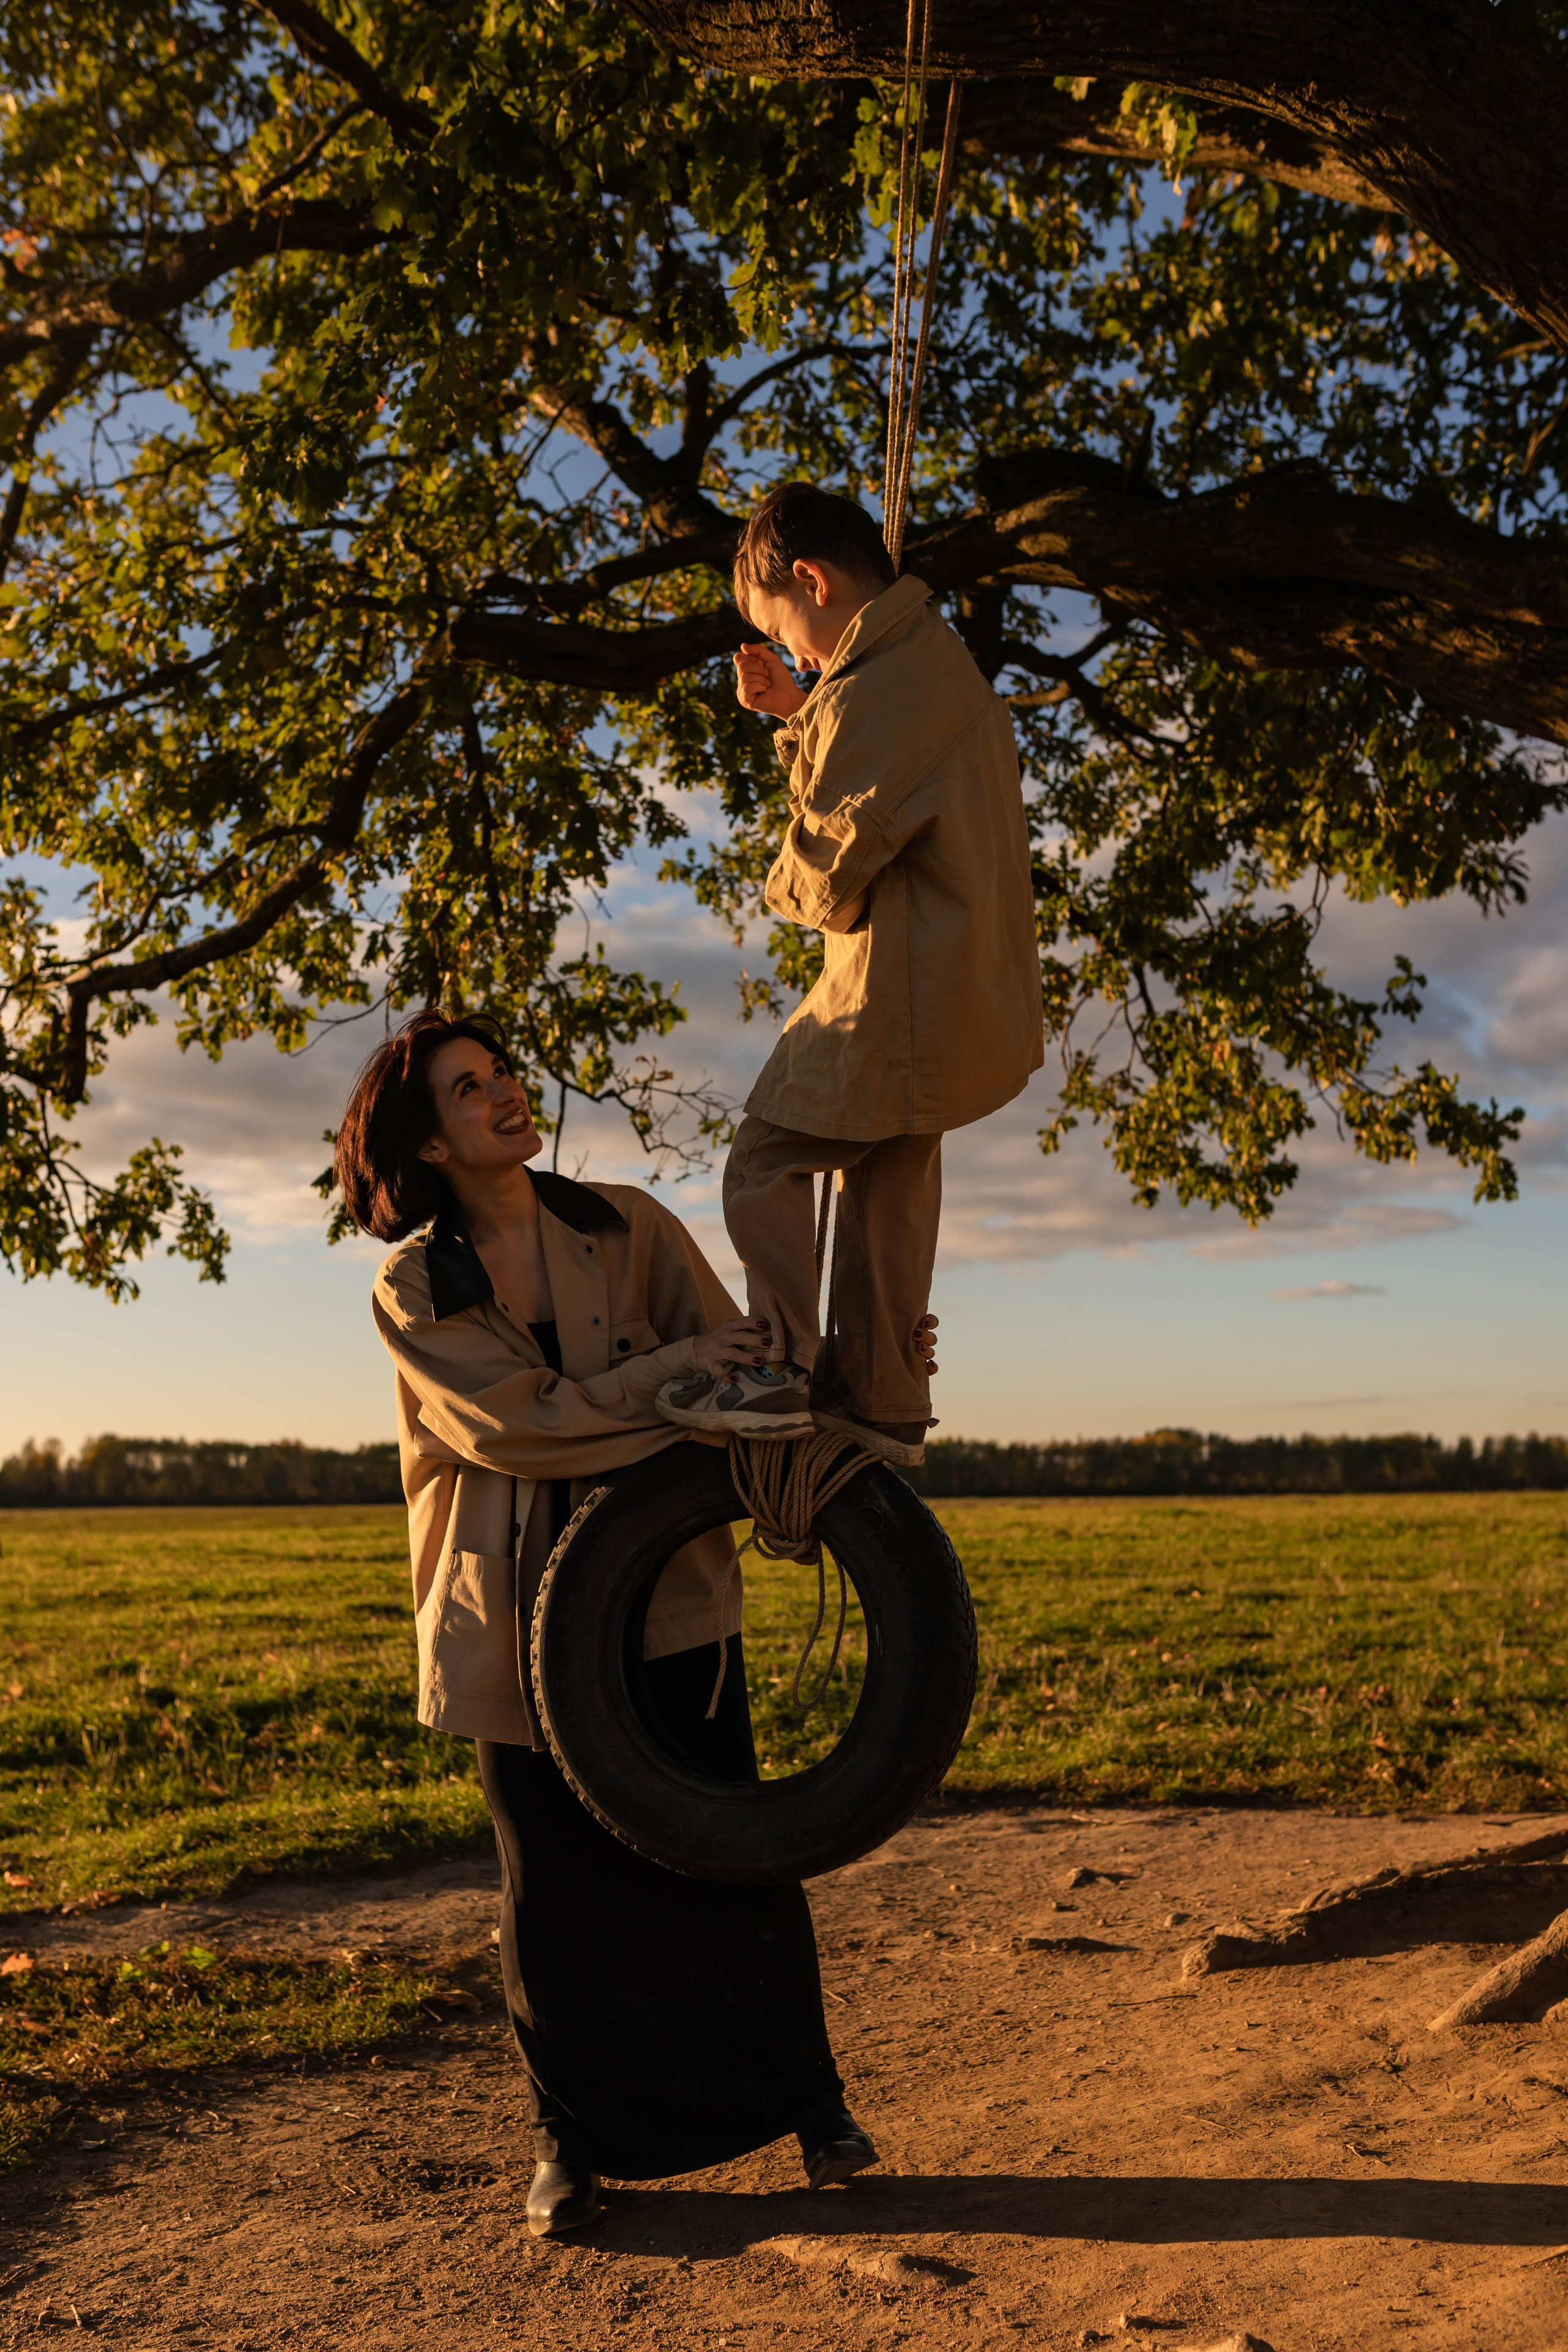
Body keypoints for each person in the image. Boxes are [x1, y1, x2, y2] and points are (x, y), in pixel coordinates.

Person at [334, 1009, 877, 2238]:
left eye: (503, 1073)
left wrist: (842, 1367)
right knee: (554, 1890)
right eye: (469, 1089)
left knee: (735, 1853)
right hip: (509, 1620)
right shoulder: (414, 1285)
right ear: (427, 1143)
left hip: (671, 1598)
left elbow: (744, 1368)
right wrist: (671, 1387)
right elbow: (514, 1425)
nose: (505, 1093)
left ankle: (813, 2107)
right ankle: (570, 2145)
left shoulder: (630, 1225)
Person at [655, 480, 1042, 1471]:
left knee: (765, 1160)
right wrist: (799, 712)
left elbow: (823, 879)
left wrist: (779, 876)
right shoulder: (934, 667)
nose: (793, 656)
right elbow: (882, 777)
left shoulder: (877, 691)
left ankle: (780, 1367)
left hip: (894, 993)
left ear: (814, 581)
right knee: (886, 1193)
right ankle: (883, 1397)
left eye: (783, 629)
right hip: (959, 996)